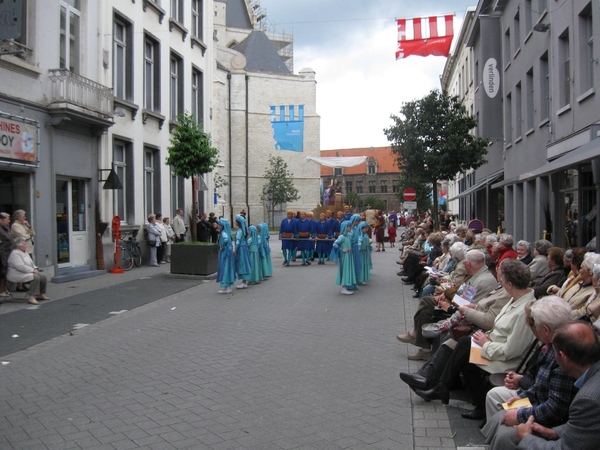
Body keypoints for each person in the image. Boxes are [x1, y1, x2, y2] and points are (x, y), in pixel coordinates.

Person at [412, 259, 536, 420]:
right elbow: (496, 322)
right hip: (491, 343)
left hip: (503, 358)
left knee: (463, 346)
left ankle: (441, 386)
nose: (498, 280)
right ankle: (443, 387)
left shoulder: (523, 311)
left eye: (501, 278)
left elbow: (511, 350)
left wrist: (486, 344)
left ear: (510, 284)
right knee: (463, 345)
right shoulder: (515, 298)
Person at [482, 296, 577, 450]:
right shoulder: (552, 345)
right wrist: (523, 396)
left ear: (545, 329)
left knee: (504, 432)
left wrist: (520, 415)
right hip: (541, 404)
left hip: (552, 421)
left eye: (536, 327)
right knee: (500, 415)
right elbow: (540, 382)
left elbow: (556, 409)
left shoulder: (563, 356)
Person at [397, 249, 497, 360]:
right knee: (427, 302)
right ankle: (417, 337)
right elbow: (463, 296)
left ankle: (422, 344)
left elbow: (470, 307)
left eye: (465, 263)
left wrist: (450, 308)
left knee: (427, 309)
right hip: (458, 306)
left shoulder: (482, 281)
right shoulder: (477, 276)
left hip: (464, 315)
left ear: (468, 264)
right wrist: (449, 300)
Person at [516, 321, 600, 450]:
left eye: (554, 352)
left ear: (563, 357)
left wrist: (526, 438)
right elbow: (590, 425)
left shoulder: (587, 400)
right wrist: (555, 432)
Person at [6, 237, 49, 305]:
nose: (26, 246)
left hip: (26, 272)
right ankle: (32, 297)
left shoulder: (25, 253)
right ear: (18, 245)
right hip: (17, 274)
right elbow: (20, 267)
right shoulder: (15, 253)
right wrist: (32, 271)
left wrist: (35, 268)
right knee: (35, 277)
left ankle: (40, 294)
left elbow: (31, 263)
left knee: (43, 276)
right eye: (24, 244)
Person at [331, 220, 356, 295]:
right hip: (345, 256)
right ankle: (343, 288)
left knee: (348, 270)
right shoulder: (342, 236)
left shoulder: (348, 235)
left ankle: (346, 286)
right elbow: (335, 244)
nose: (350, 228)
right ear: (345, 227)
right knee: (345, 270)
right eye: (349, 227)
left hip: (349, 255)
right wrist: (341, 250)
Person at [216, 218, 236, 293]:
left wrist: (222, 247)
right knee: (228, 268)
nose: (218, 226)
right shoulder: (227, 232)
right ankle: (229, 286)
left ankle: (226, 286)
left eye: (219, 224)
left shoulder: (223, 233)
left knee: (225, 267)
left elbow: (225, 239)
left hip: (225, 252)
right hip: (228, 251)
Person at [234, 215, 252, 289]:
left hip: (241, 249)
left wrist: (235, 249)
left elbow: (238, 240)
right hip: (244, 248)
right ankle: (244, 281)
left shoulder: (239, 231)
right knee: (245, 263)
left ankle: (244, 282)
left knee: (242, 264)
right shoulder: (244, 231)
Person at [0, 212, 15, 297]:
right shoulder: (2, 230)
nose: (9, 221)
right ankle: (1, 290)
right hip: (3, 253)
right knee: (2, 273)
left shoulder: (6, 228)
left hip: (7, 253)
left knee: (4, 273)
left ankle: (4, 289)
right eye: (6, 219)